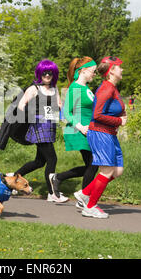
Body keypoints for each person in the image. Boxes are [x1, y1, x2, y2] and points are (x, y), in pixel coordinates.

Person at [78, 56, 127, 219]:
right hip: (100, 133)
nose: (122, 69)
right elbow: (97, 115)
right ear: (111, 70)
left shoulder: (112, 87)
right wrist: (120, 120)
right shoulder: (107, 88)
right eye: (119, 67)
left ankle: (85, 194)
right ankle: (90, 206)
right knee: (106, 171)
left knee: (117, 170)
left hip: (109, 134)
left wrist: (121, 114)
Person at [48, 57, 99, 205]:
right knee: (93, 164)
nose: (94, 75)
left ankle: (59, 178)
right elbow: (67, 113)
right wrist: (81, 126)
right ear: (82, 70)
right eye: (93, 71)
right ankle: (84, 198)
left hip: (89, 130)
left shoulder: (85, 89)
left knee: (92, 165)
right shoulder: (75, 88)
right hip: (78, 130)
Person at [14, 59, 64, 203]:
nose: (47, 75)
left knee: (39, 162)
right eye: (44, 73)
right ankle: (52, 193)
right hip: (38, 127)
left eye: (50, 73)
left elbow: (60, 105)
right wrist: (28, 116)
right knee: (52, 159)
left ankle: (15, 176)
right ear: (39, 74)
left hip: (50, 127)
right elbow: (21, 104)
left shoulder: (54, 89)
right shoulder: (34, 89)